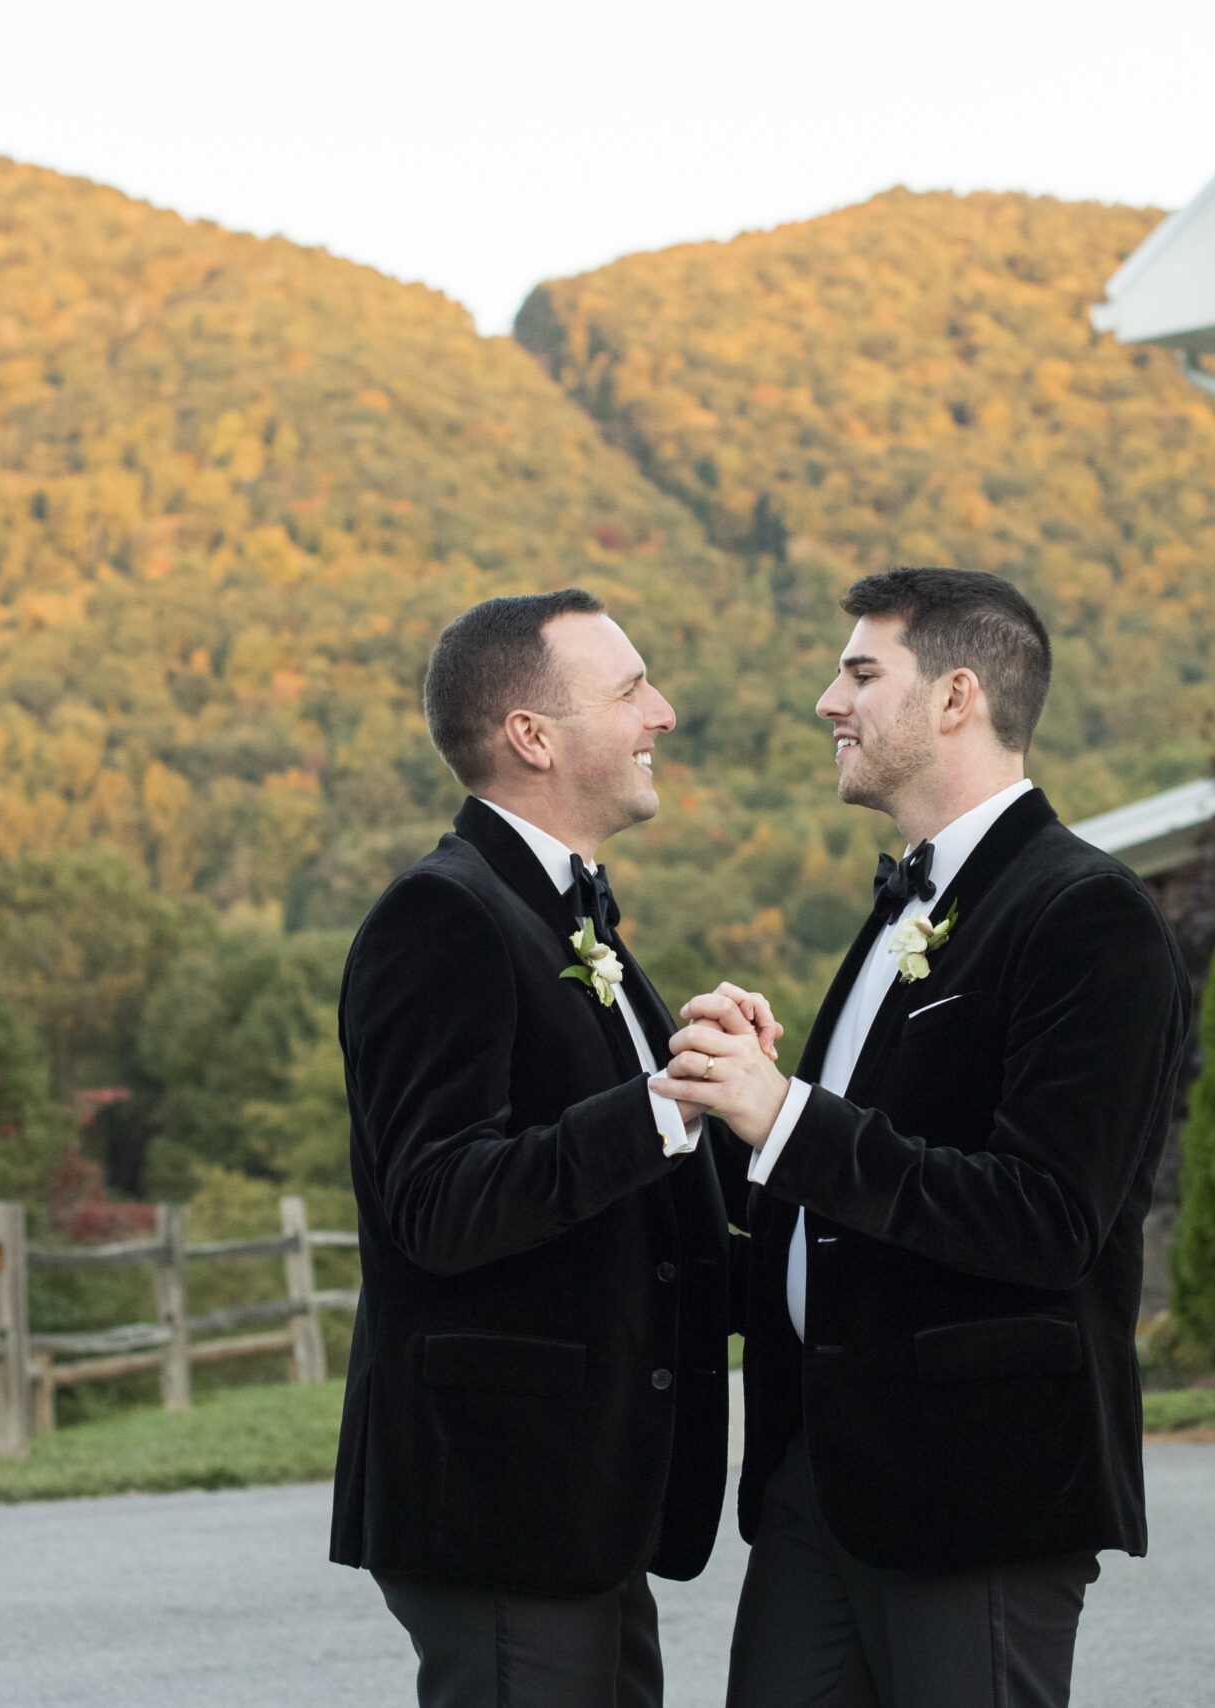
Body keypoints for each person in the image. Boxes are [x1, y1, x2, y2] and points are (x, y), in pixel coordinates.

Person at [655, 568, 1191, 1708]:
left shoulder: (1083, 914)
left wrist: (786, 1112)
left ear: (955, 697)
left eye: (859, 673)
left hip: (976, 1487)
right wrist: (726, 1101)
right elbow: (845, 1194)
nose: (825, 702)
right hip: (816, 1483)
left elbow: (1044, 1219)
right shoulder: (904, 909)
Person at [331, 588, 765, 1708]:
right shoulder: (443, 916)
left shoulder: (566, 918)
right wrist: (659, 1106)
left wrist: (712, 1093)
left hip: (580, 1503)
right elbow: (440, 1201)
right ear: (532, 736)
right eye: (630, 690)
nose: (660, 712)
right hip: (501, 1502)